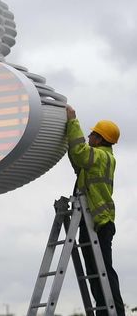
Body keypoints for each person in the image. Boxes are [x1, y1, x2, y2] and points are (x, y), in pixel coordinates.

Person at [66, 104, 125, 316]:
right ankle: (103, 312)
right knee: (94, 272)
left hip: (99, 222)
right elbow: (77, 157)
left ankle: (114, 313)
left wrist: (72, 121)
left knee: (103, 272)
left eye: (92, 134)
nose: (89, 136)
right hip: (92, 221)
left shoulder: (100, 157)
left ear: (99, 139)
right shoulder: (99, 158)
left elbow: (80, 153)